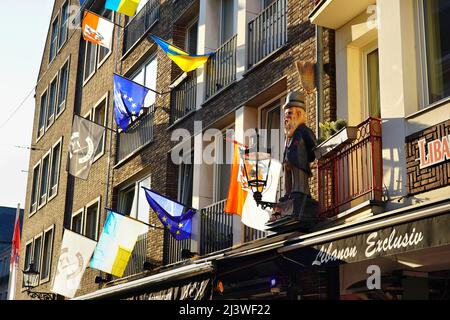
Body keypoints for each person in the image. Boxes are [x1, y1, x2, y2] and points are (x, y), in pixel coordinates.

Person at [271, 91, 317, 221]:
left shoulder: (303, 130)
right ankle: (288, 193)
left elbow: (314, 144)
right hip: (288, 162)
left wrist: (312, 154)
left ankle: (299, 192)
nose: (286, 117)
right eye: (285, 114)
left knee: (298, 179)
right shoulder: (289, 135)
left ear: (298, 113)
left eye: (289, 113)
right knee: (287, 177)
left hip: (299, 162)